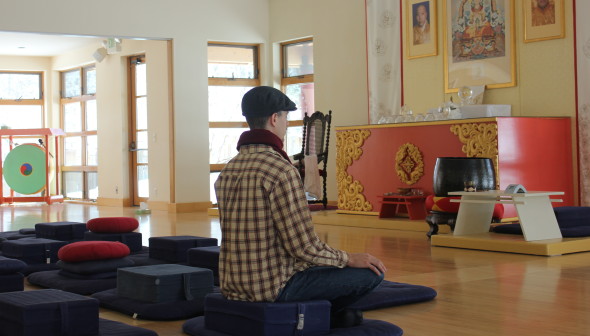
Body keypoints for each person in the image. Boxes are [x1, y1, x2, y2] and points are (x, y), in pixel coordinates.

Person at [215, 86, 386, 328]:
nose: (286, 124)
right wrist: (348, 258)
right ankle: (314, 317)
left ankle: (320, 314)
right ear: (275, 118)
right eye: (285, 117)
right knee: (371, 272)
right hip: (273, 288)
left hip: (233, 287)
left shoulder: (227, 171)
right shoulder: (281, 170)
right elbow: (304, 247)